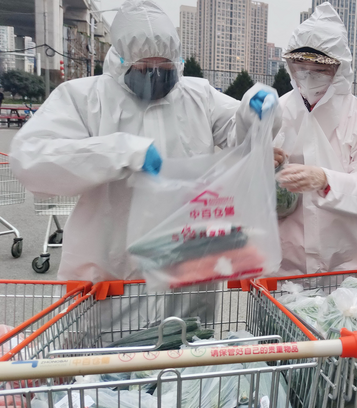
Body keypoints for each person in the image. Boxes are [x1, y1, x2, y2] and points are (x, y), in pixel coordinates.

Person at [9, 0, 276, 326]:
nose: (155, 76)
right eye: (144, 68)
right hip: (111, 265)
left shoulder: (198, 95)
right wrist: (119, 151)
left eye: (165, 68)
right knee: (104, 365)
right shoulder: (85, 98)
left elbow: (239, 135)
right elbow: (30, 157)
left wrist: (254, 113)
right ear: (121, 60)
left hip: (188, 264)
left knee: (186, 361)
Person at [272, 3, 357, 275]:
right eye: (300, 65)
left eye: (320, 68)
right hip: (282, 270)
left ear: (340, 69)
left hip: (343, 269)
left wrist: (326, 180)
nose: (308, 74)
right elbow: (244, 184)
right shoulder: (277, 112)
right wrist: (260, 162)